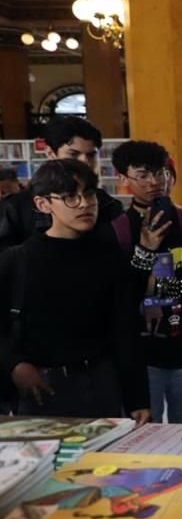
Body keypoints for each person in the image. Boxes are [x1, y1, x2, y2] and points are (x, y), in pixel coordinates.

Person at [0, 160, 149, 423]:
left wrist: (137, 397)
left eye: (89, 194)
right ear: (43, 204)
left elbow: (125, 330)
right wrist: (14, 364)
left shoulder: (109, 257)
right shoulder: (17, 261)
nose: (84, 204)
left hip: (102, 383)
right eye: (70, 197)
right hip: (40, 385)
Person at [104, 140, 182, 424]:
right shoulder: (117, 232)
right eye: (143, 175)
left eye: (160, 173)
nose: (154, 182)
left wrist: (170, 289)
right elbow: (118, 296)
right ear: (123, 179)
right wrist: (144, 252)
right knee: (141, 448)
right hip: (141, 361)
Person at [0, 116, 123, 251]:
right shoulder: (15, 208)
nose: (84, 162)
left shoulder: (107, 204)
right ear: (50, 153)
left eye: (91, 155)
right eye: (73, 154)